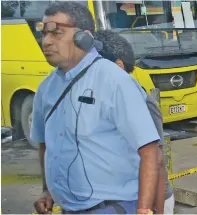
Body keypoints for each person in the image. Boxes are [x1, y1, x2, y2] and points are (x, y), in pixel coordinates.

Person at [30, 2, 161, 214]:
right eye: (44, 34)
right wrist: (48, 191)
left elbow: (150, 150)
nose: (46, 42)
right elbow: (46, 144)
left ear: (84, 37)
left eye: (57, 33)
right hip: (68, 208)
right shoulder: (46, 88)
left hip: (113, 207)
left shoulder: (114, 81)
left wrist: (144, 209)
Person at [92, 30, 175, 214]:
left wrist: (156, 210)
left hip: (149, 201)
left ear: (118, 66)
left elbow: (157, 161)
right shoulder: (101, 99)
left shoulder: (142, 102)